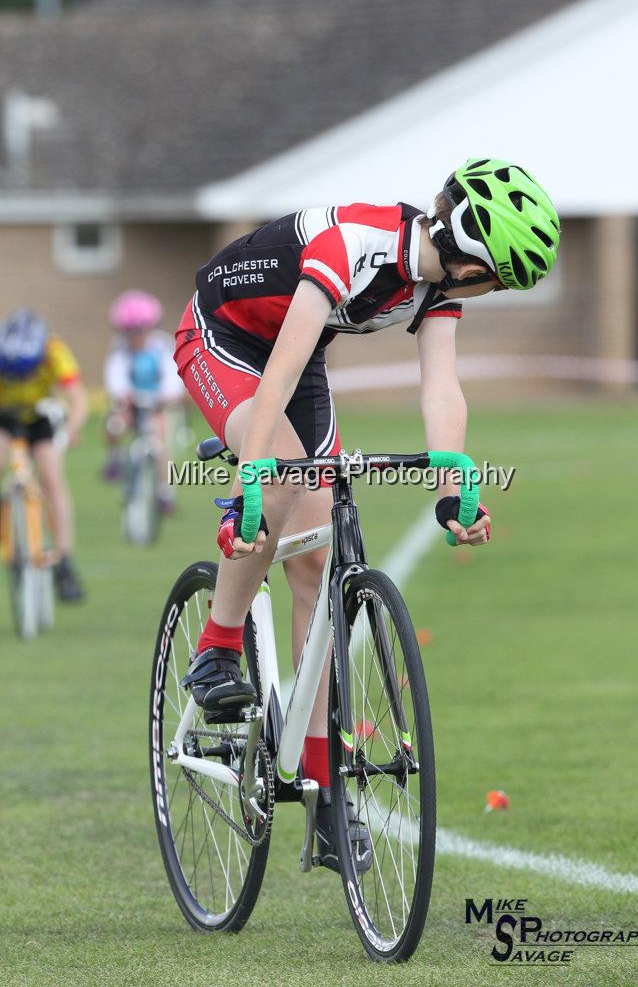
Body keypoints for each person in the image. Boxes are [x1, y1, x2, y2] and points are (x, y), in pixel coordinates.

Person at [173, 158, 560, 870]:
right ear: (473, 263)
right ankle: (217, 647)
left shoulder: (434, 289)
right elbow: (281, 367)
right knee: (285, 481)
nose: (494, 290)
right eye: (501, 277)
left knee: (317, 563)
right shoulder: (351, 244)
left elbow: (441, 389)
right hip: (224, 338)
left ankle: (323, 794)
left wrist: (450, 484)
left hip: (296, 351)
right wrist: (254, 478)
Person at [0, 310, 88, 601]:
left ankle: (64, 560)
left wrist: (72, 427)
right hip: (4, 418)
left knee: (51, 479)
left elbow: (77, 397)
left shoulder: (53, 350)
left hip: (40, 418)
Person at [103, 290, 184, 513]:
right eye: (130, 332)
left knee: (159, 439)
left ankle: (164, 493)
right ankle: (114, 458)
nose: (135, 336)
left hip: (157, 403)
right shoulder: (120, 348)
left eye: (140, 331)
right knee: (114, 424)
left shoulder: (161, 345)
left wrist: (168, 396)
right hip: (130, 402)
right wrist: (123, 397)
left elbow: (172, 374)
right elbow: (115, 375)